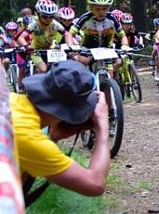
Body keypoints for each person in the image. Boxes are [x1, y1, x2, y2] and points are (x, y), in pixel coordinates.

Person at [10, 60, 111, 196]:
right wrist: (102, 126)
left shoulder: (11, 101)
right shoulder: (26, 137)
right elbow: (95, 184)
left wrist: (53, 138)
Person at [70, 0, 130, 78]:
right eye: (97, 9)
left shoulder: (112, 18)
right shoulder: (85, 18)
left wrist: (125, 45)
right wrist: (73, 47)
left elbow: (122, 35)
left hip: (106, 49)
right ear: (91, 8)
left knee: (110, 75)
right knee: (84, 66)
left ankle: (110, 89)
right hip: (88, 48)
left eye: (104, 9)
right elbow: (70, 34)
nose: (101, 12)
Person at [16, 0, 74, 75]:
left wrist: (71, 47)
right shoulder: (35, 24)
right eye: (44, 16)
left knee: (59, 69)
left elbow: (66, 34)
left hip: (51, 50)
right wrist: (27, 47)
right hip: (36, 51)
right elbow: (20, 37)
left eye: (51, 16)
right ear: (38, 14)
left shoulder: (54, 24)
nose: (48, 19)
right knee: (43, 69)